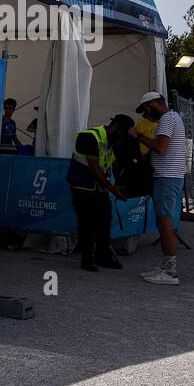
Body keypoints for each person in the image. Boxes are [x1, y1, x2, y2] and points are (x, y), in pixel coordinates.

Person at [130, 91, 186, 285]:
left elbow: (161, 147)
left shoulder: (167, 119)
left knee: (165, 222)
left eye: (146, 110)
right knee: (163, 221)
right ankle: (165, 265)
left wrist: (140, 136)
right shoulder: (172, 118)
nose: (145, 115)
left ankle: (170, 272)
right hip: (169, 176)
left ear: (154, 104)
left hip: (167, 176)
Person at [66, 116, 129, 271]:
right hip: (82, 185)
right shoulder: (89, 136)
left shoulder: (112, 140)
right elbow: (94, 167)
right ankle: (86, 259)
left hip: (98, 186)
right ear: (114, 127)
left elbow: (112, 163)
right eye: (122, 133)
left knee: (104, 220)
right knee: (87, 222)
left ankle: (102, 256)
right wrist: (113, 189)